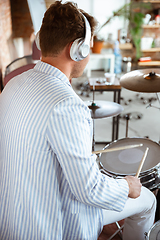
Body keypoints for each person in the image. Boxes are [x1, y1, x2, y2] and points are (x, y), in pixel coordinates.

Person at [0, 1, 156, 240]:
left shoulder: (13, 84)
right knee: (147, 199)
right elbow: (89, 190)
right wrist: (127, 186)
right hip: (47, 225)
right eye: (89, 47)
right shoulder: (67, 106)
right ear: (77, 49)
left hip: (10, 216)